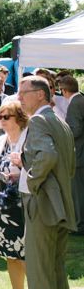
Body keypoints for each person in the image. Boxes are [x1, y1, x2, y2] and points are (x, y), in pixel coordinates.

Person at [11, 77, 76, 289]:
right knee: (56, 276)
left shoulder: (38, 121)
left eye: (23, 93)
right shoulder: (59, 119)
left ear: (39, 95)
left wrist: (33, 180)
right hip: (60, 207)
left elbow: (47, 157)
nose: (19, 98)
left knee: (41, 278)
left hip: (43, 206)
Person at [0, 100, 28, 289]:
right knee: (11, 257)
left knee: (27, 260)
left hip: (24, 207)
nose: (2, 120)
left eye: (7, 117)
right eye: (0, 116)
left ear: (19, 118)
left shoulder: (28, 139)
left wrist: (22, 167)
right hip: (4, 207)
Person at [60, 74, 84, 235]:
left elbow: (75, 130)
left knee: (77, 191)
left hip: (78, 153)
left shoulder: (75, 103)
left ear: (64, 90)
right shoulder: (81, 99)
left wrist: (62, 135)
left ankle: (78, 224)